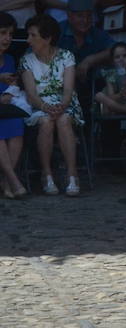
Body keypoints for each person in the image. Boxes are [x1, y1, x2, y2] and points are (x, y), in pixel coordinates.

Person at [20, 15, 82, 196]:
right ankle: (46, 174)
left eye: (33, 35)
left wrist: (62, 105)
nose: (28, 40)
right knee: (46, 122)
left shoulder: (66, 56)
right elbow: (31, 95)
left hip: (65, 104)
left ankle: (72, 174)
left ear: (47, 38)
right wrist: (45, 107)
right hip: (39, 105)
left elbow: (69, 89)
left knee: (63, 120)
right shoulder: (26, 60)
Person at [55, 0, 114, 91]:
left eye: (89, 16)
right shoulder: (57, 31)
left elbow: (115, 49)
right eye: (80, 16)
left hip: (89, 88)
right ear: (69, 16)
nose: (85, 20)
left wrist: (90, 60)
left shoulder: (96, 33)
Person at [0, 13, 29, 198]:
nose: (8, 38)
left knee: (17, 124)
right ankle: (12, 179)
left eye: (10, 34)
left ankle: (4, 180)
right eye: (3, 33)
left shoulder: (9, 59)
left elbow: (14, 85)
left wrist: (10, 92)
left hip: (5, 109)